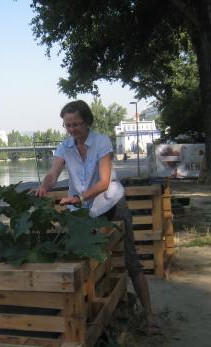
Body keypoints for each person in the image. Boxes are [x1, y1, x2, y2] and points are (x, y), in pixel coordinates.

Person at [35, 100, 160, 335]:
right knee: (86, 260)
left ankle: (150, 314)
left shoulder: (101, 141)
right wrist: (44, 187)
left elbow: (103, 182)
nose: (72, 130)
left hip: (110, 202)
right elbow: (53, 173)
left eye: (77, 124)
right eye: (67, 125)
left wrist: (79, 198)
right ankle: (95, 313)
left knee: (131, 259)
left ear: (88, 122)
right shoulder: (64, 147)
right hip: (81, 209)